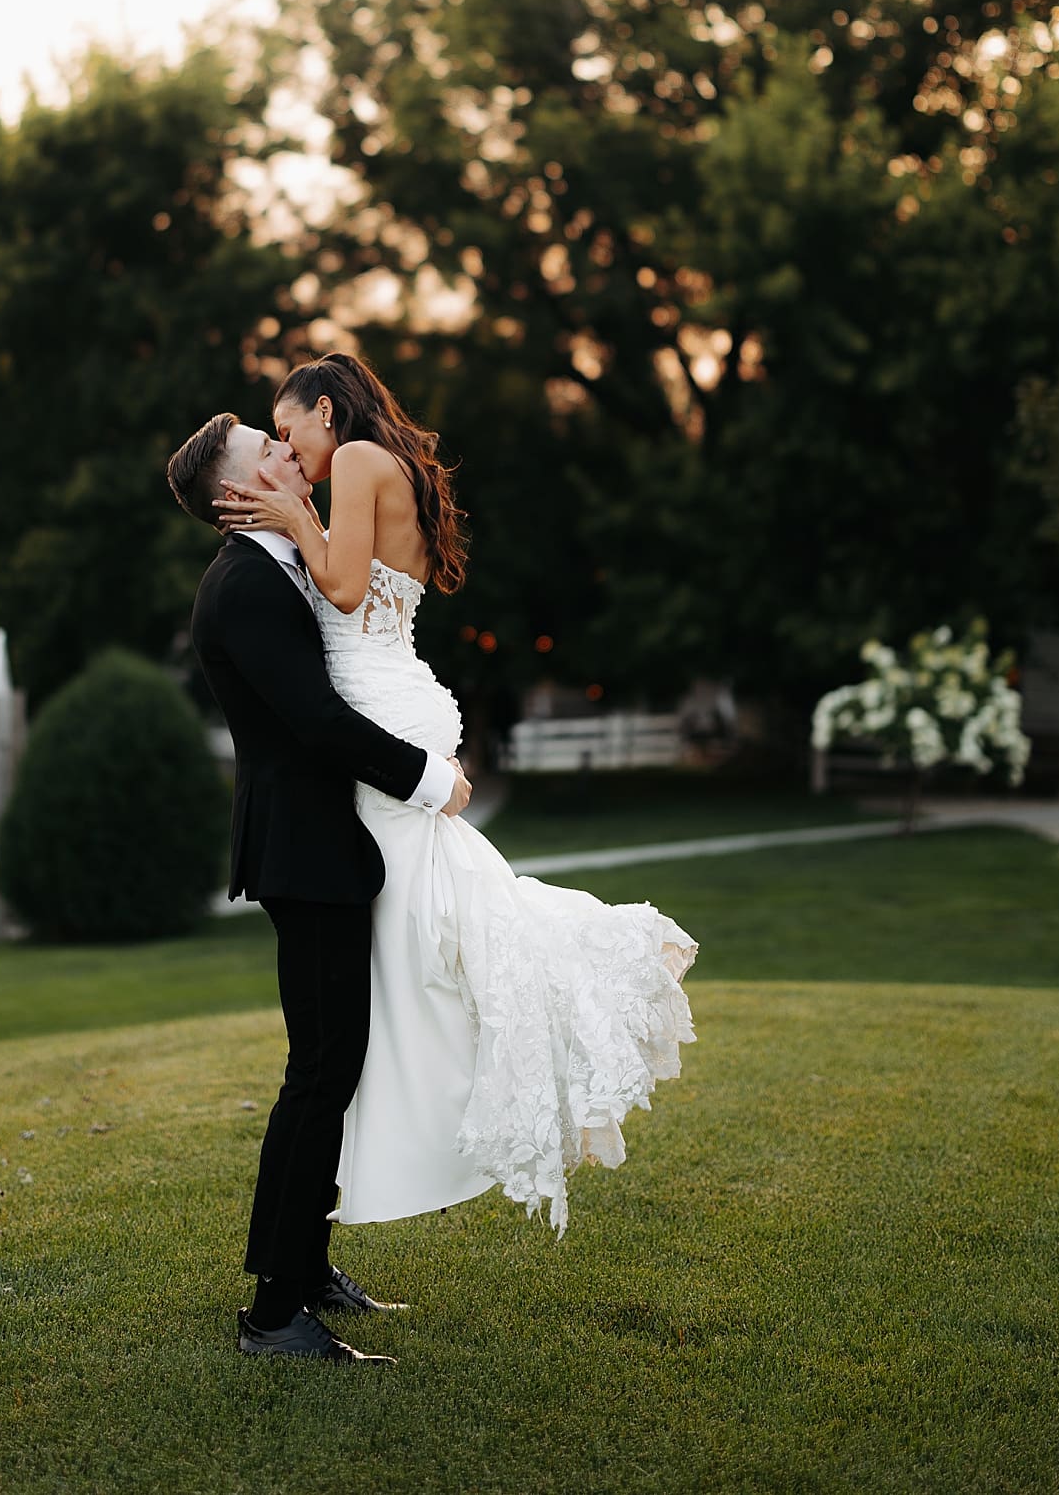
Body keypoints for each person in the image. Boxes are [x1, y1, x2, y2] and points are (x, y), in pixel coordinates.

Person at [210, 352, 696, 1237]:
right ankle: (358, 1184)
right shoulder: (379, 469)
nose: (290, 452)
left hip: (385, 713)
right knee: (448, 926)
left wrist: (290, 515)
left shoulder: (357, 461)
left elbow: (346, 589)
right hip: (399, 701)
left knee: (423, 948)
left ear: (327, 410)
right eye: (272, 446)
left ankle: (583, 974)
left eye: (289, 431)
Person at [168, 413, 473, 1369]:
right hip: (305, 851)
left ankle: (305, 1265)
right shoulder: (244, 588)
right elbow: (315, 722)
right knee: (320, 1071)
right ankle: (273, 1313)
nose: (291, 457)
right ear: (233, 498)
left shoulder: (283, 565)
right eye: (269, 453)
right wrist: (430, 777)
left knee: (332, 1065)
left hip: (324, 845)